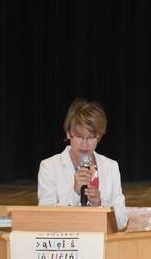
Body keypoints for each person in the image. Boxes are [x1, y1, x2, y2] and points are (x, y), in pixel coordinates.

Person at [38, 99, 129, 231]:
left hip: (100, 240)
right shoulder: (49, 167)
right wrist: (75, 192)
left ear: (99, 137)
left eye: (91, 137)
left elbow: (122, 221)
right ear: (68, 133)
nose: (85, 144)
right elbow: (45, 218)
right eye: (79, 136)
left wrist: (101, 204)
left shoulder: (111, 166)